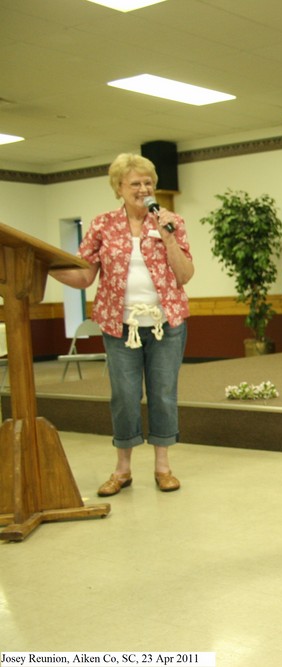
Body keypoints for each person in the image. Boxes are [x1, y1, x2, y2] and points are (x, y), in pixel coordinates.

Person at [50, 153, 194, 496]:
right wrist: (46, 267)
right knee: (125, 396)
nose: (143, 189)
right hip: (119, 324)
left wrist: (168, 236)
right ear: (119, 188)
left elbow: (185, 275)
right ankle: (123, 469)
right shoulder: (102, 225)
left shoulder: (172, 221)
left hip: (166, 322)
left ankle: (163, 467)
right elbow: (85, 276)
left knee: (162, 394)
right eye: (135, 183)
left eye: (148, 183)